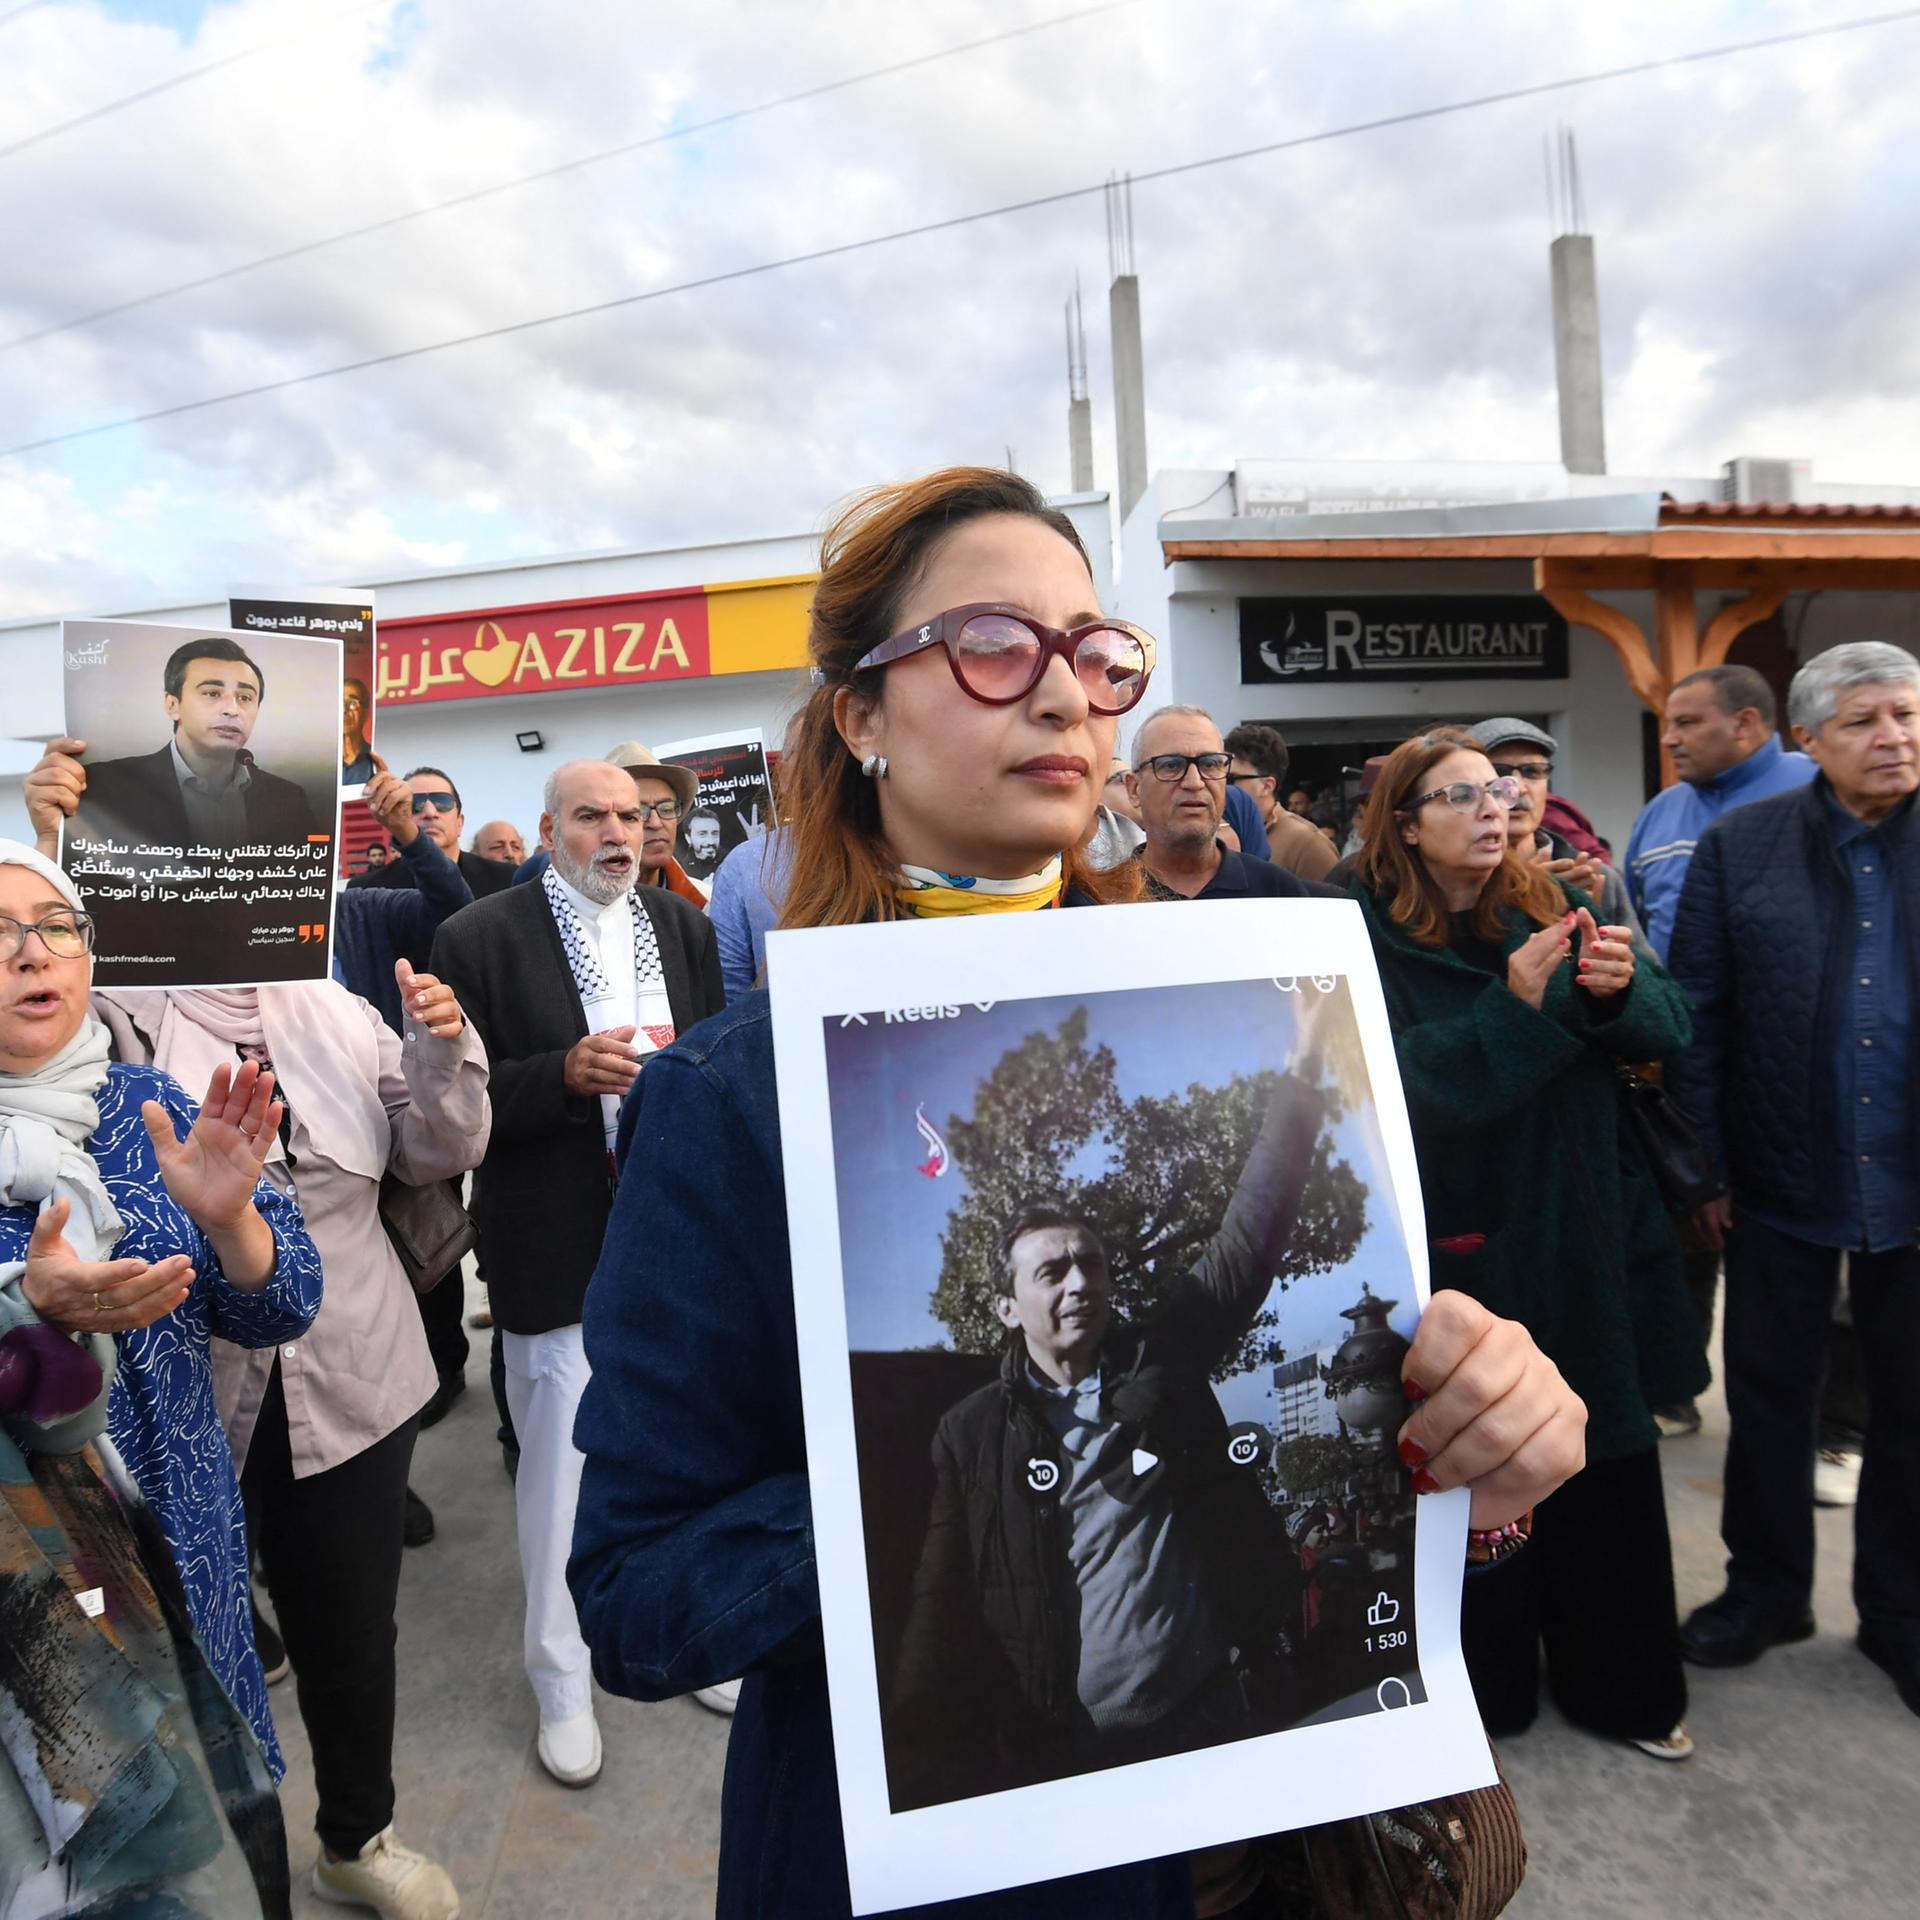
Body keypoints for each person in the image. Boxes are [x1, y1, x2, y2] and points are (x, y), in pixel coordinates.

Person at [567, 468, 1587, 1919]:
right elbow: (635, 1593)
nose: (1066, 700)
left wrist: (1479, 1453)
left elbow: (1275, 1307)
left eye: (1096, 657)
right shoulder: (740, 1095)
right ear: (859, 715)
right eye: (994, 646)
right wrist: (894, 1510)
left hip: (1246, 1862)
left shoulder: (1259, 998)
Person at [93, 955, 486, 1920]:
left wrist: (442, 1044)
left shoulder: (337, 1009)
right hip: (182, 1399)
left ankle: (357, 1837)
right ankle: (206, 1867)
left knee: (352, 1630)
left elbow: (436, 1148)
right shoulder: (119, 1008)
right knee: (180, 1643)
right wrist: (64, 846)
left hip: (355, 1366)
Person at [1344, 727, 1704, 1764]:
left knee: (1610, 1469)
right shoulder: (1360, 933)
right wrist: (1515, 1010)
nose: (1492, 808)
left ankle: (1625, 1686)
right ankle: (1485, 1692)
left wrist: (1617, 988)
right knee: (1483, 1470)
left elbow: (1668, 1025)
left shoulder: (1552, 902)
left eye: (1499, 790)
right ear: (1405, 821)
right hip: (1474, 1259)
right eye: (1458, 794)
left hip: (1593, 1235)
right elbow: (1390, 1086)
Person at [887, 1029, 1332, 1808]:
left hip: (1211, 1711)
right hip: (1070, 1751)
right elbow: (937, 1596)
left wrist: (1303, 1070)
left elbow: (1250, 1238)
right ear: (1006, 1305)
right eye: (1052, 1270)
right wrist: (912, 1757)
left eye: (1089, 1262)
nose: (1078, 1282)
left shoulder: (1163, 1358)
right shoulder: (971, 1432)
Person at [0, 838, 321, 1783]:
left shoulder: (142, 1101)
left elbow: (284, 1304)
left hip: (184, 1536)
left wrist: (232, 1225)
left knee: (221, 1804)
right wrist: (25, 1311)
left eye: (57, 927)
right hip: (26, 1566)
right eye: (1, 934)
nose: (32, 952)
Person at [431, 760, 723, 1790]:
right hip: (554, 1245)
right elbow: (452, 1110)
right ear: (550, 829)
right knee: (559, 1470)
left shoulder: (682, 928)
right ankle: (562, 1676)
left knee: (689, 1451)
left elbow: (717, 1065)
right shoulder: (480, 937)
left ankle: (691, 1631)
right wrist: (560, 1074)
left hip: (674, 1235)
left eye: (633, 816)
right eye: (592, 815)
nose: (617, 832)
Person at [1666, 642, 1920, 1719]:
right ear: (1809, 740)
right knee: (1768, 1398)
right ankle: (1767, 1592)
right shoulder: (1742, 846)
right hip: (1779, 1172)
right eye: (1866, 721)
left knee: (1913, 1409)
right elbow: (1696, 1018)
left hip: (1913, 1183)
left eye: (1908, 717)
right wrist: (1707, 1166)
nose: (1896, 738)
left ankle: (1901, 1615)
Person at [0, 1324, 291, 1916]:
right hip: (54, 1558)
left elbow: (279, 1301)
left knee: (195, 1787)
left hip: (135, 1529)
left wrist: (35, 1327)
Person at [1625, 666, 1816, 960]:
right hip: (1679, 1004)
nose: (1668, 739)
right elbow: (1632, 928)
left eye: (1686, 723)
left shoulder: (1820, 790)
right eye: (1669, 725)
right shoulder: (1658, 812)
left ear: (1744, 724)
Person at [63, 638, 320, 853]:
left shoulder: (288, 798)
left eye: (245, 697)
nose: (232, 709)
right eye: (212, 693)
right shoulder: (104, 786)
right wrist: (52, 837)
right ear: (172, 704)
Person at [1128, 705, 1337, 903]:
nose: (1194, 782)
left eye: (1210, 764)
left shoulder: (1278, 892)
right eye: (1171, 765)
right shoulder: (1104, 898)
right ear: (1134, 789)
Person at [1466, 718, 1645, 944]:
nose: (1519, 788)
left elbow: (1651, 973)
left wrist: (1620, 968)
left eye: (1533, 772)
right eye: (1499, 773)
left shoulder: (1595, 877)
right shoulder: (1453, 879)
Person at [348, 769, 515, 902]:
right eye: (415, 804)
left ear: (460, 822)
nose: (430, 812)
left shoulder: (508, 880)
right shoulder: (367, 889)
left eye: (443, 802)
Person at [1224, 721, 1337, 880]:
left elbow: (1334, 901)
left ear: (1267, 786)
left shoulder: (1307, 843)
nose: (1221, 786)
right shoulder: (1215, 834)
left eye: (1230, 779)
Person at [342, 678, 375, 785]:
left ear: (366, 712)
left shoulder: (374, 759)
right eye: (339, 703)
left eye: (351, 703)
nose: (343, 710)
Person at [679, 807, 725, 882]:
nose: (710, 841)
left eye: (715, 834)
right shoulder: (681, 869)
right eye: (702, 834)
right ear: (688, 838)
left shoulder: (731, 861)